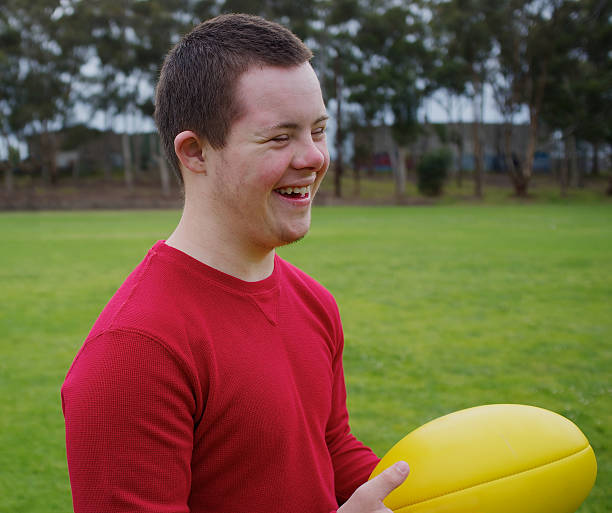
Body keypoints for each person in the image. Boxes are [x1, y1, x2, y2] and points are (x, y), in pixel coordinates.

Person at [61, 13, 409, 513]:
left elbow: (331, 451)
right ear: (196, 152)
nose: (313, 157)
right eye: (280, 137)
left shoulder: (314, 302)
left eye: (319, 130)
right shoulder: (134, 352)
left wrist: (443, 486)